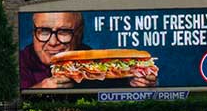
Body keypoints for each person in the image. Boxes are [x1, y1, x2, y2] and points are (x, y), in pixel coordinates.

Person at [19, 11, 157, 89]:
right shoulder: (19, 62)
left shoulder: (93, 62)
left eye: (64, 32)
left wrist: (137, 83)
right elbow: (10, 102)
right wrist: (38, 90)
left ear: (79, 35)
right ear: (33, 34)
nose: (53, 42)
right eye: (44, 31)